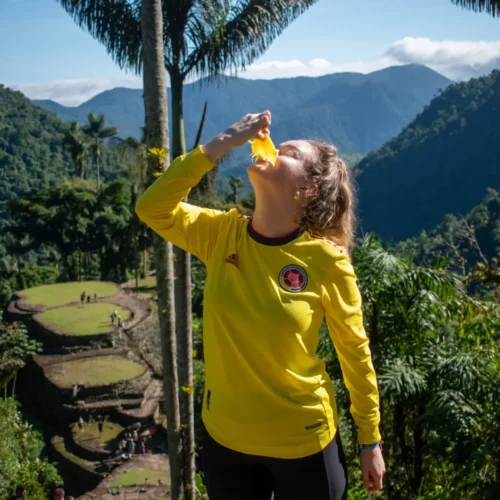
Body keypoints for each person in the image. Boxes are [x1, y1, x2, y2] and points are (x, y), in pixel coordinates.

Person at [136, 111, 386, 499]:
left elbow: (355, 353)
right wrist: (219, 144)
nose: (271, 145)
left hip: (303, 442)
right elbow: (151, 207)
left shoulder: (327, 261)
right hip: (225, 439)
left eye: (289, 152)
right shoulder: (221, 234)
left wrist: (370, 441)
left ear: (309, 188)